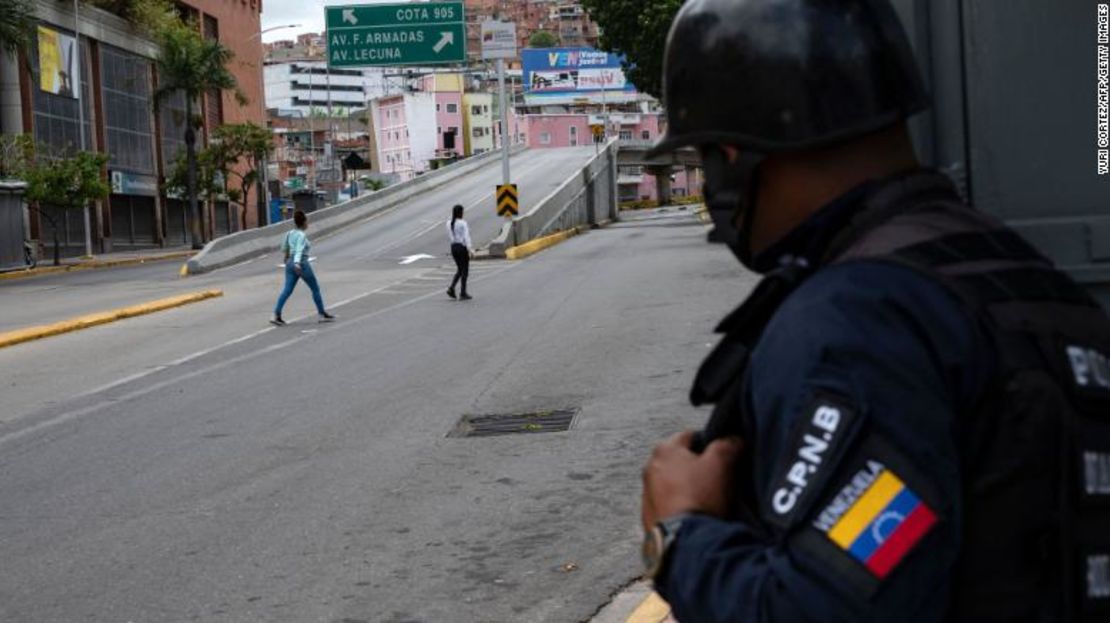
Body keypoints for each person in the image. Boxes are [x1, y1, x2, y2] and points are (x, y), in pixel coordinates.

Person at [638, 1, 1110, 622]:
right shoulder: (1020, 272)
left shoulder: (856, 324)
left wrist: (681, 537)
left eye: (704, 159)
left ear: (734, 156)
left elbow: (827, 607)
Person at [271, 210, 335, 326]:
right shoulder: (301, 235)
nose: (307, 224)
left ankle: (276, 315)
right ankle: (321, 314)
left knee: (287, 290)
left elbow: (284, 247)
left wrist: (287, 259)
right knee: (315, 288)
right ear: (304, 222)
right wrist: (297, 263)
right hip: (301, 263)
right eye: (307, 221)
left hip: (289, 263)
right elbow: (299, 249)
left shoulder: (289, 233)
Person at [447, 204, 474, 301]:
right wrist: (470, 249)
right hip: (461, 248)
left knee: (460, 269)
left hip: (453, 247)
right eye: (462, 212)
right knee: (465, 270)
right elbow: (466, 237)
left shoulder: (449, 223)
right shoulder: (463, 223)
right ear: (460, 213)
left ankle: (451, 288)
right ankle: (463, 292)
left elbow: (451, 237)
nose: (463, 213)